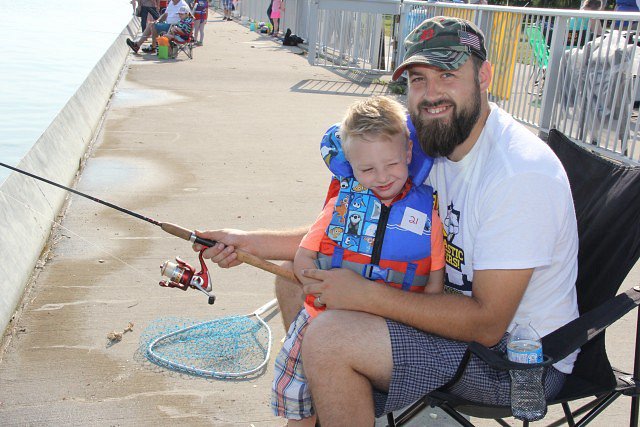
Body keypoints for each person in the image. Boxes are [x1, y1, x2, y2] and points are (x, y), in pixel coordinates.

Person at [195, 16, 579, 424]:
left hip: (515, 361)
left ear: (484, 75)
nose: (431, 95)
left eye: (447, 74)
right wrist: (248, 242)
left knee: (329, 338)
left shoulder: (518, 174)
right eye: (417, 80)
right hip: (449, 307)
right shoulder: (430, 142)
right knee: (293, 278)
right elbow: (354, 233)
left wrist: (365, 296)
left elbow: (487, 324)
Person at [270, 96, 445, 426]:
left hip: (391, 328)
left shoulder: (427, 220)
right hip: (325, 315)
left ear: (408, 153)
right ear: (350, 166)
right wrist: (319, 288)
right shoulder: (339, 208)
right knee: (302, 409)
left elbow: (434, 288)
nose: (381, 177)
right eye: (367, 169)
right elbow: (304, 256)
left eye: (392, 164)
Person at [126, 0, 190, 54]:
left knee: (154, 26)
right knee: (151, 24)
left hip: (173, 27)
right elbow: (165, 14)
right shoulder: (171, 3)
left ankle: (153, 47)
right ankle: (138, 45)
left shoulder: (183, 5)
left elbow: (187, 19)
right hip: (167, 24)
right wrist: (158, 20)